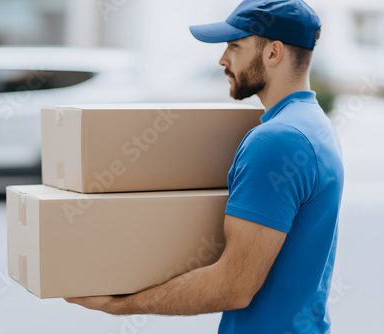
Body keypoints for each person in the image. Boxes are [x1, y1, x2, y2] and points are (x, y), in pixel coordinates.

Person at [65, 0, 344, 332]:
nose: (223, 59)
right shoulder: (315, 126)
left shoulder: (276, 140)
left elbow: (233, 287)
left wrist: (119, 304)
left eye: (235, 46)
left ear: (273, 53)